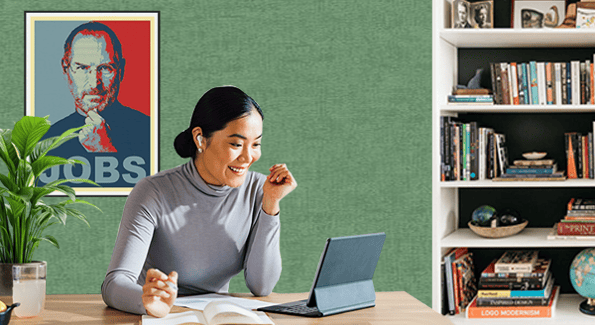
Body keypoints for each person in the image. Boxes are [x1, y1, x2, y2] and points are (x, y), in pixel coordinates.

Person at [101, 86, 297, 317]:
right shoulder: (153, 192)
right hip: (158, 317)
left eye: (255, 144)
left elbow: (262, 286)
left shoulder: (259, 189)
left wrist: (271, 205)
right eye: (236, 144)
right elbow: (114, 284)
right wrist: (146, 301)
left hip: (214, 317)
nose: (247, 157)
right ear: (200, 139)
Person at [41, 22, 150, 187]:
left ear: (121, 71)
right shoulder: (47, 141)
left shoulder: (150, 132)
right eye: (83, 68)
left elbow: (156, 201)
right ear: (66, 69)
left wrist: (104, 150)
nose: (94, 83)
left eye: (105, 68)